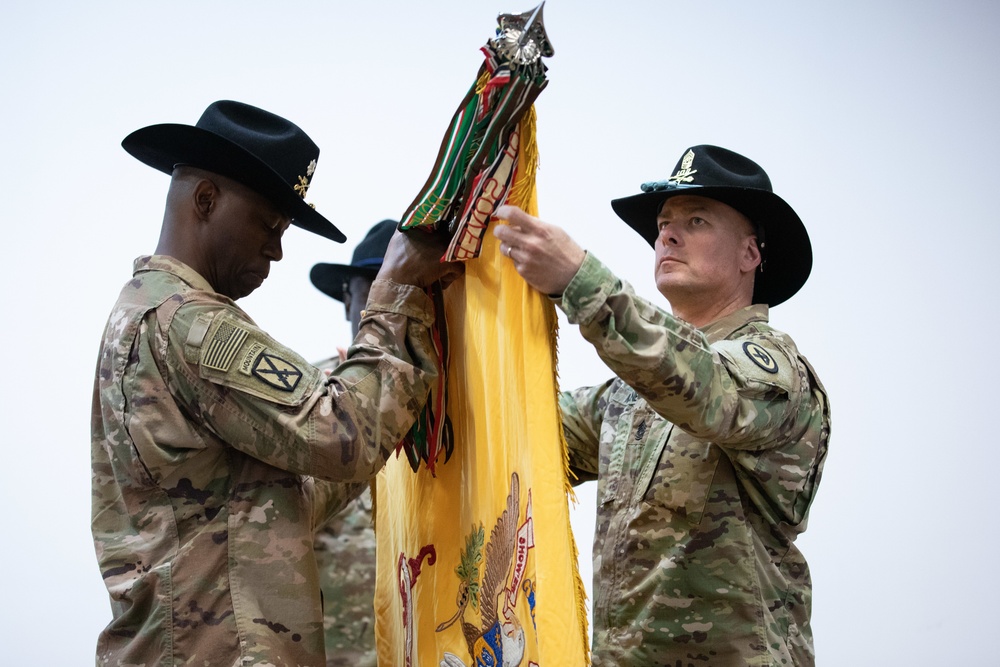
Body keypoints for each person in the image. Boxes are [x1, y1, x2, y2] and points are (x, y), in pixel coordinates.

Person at [90, 100, 460, 666]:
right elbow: (345, 435)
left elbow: (270, 507)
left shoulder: (145, 310)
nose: (279, 249)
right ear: (207, 200)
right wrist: (394, 291)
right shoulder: (190, 323)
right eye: (268, 224)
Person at [493, 145, 830, 666]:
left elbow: (705, 387)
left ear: (750, 254)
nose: (667, 235)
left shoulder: (774, 372)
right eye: (663, 223)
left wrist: (581, 282)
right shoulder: (627, 397)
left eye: (695, 220)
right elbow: (517, 428)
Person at [307, 218, 397, 666]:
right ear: (348, 299)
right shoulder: (300, 400)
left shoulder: (458, 411)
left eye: (404, 290)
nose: (388, 307)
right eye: (374, 288)